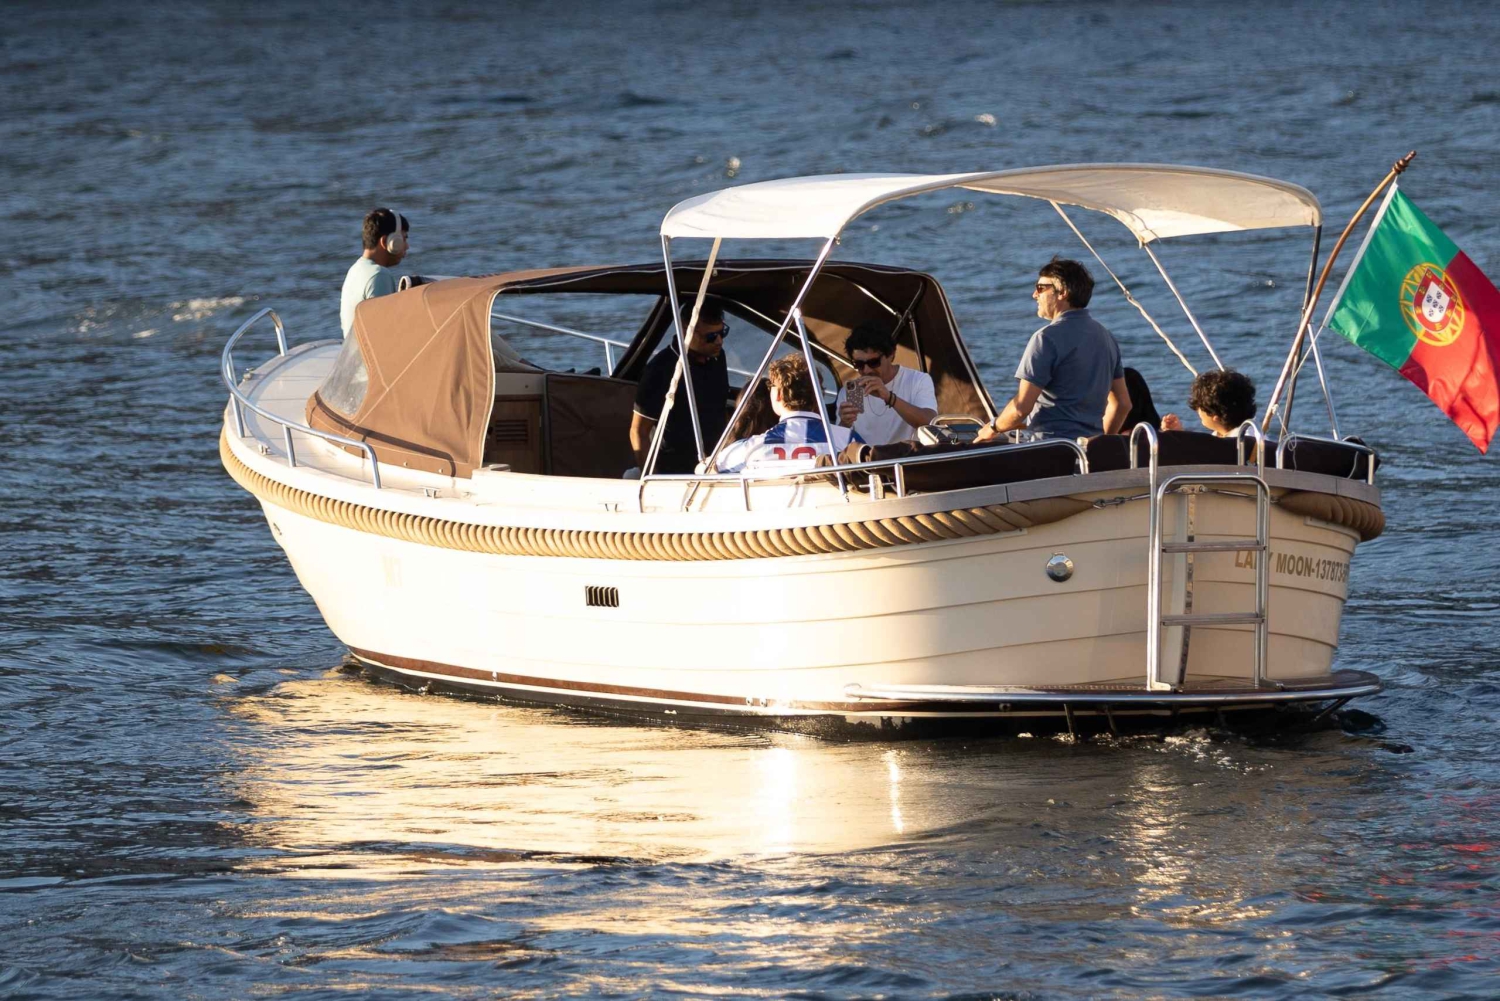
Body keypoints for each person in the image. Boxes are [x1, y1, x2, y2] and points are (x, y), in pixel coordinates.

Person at [975, 257, 1131, 442]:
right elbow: (1122, 404)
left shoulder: (1045, 338)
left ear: (1062, 292)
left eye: (1041, 288)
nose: (1034, 294)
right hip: (1088, 450)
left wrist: (991, 428)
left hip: (1051, 448)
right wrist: (1099, 442)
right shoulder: (1107, 337)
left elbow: (1020, 409)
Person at [629, 302, 731, 475]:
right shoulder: (660, 369)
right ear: (685, 330)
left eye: (722, 333)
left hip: (715, 465)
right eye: (711, 336)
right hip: (674, 471)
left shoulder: (718, 357)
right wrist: (652, 479)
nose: (719, 341)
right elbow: (638, 432)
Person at [715, 355, 862, 472]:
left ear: (778, 395)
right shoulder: (849, 439)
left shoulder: (750, 448)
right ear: (819, 395)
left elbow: (714, 466)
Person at [834, 320, 938, 444]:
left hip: (906, 454)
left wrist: (889, 398)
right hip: (867, 455)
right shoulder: (849, 391)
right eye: (859, 364)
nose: (866, 370)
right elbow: (839, 444)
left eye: (873, 362)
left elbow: (930, 423)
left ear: (891, 355)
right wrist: (844, 423)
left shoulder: (917, 380)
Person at [340, 208, 409, 338]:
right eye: (404, 239)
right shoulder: (379, 275)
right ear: (386, 242)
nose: (407, 246)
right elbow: (384, 335)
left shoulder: (355, 270)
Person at [1162, 369, 1257, 436]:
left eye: (1199, 407)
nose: (1197, 411)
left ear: (1215, 416)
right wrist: (1178, 434)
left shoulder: (1238, 444)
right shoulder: (1253, 437)